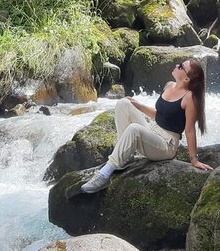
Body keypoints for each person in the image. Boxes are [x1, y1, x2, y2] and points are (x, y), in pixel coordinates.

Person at [81, 58, 211, 192]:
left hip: (166, 144)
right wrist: (137, 104)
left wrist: (194, 160)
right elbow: (159, 115)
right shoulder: (169, 86)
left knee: (134, 129)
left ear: (186, 79)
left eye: (181, 67)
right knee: (123, 104)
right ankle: (121, 158)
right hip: (152, 130)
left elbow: (189, 131)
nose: (177, 66)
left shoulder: (189, 98)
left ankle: (105, 173)